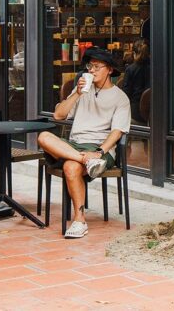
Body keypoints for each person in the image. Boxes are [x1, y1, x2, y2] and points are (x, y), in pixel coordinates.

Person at [37, 47, 131, 239]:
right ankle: (85, 161)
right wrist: (77, 93)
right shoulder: (81, 91)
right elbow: (58, 115)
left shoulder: (120, 98)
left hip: (99, 148)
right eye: (90, 66)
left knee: (71, 168)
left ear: (110, 70)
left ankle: (79, 220)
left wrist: (99, 152)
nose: (92, 71)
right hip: (75, 146)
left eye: (97, 67)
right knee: (43, 136)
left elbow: (117, 132)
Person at [119, 39, 150, 123]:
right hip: (153, 111)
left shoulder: (131, 69)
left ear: (134, 54)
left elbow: (126, 93)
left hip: (135, 112)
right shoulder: (155, 67)